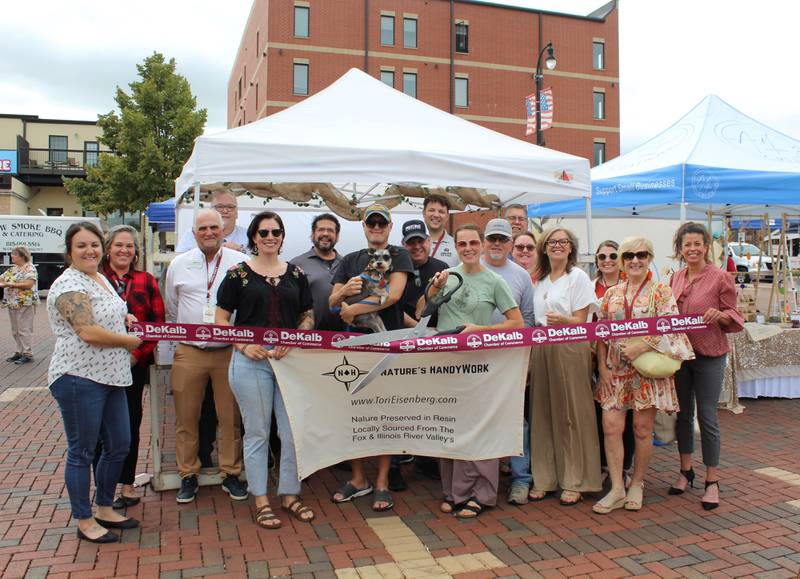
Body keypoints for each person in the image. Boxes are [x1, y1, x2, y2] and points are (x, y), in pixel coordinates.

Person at [217, 210, 316, 529]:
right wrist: (244, 345)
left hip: (289, 363)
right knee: (257, 432)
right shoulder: (236, 274)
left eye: (276, 232)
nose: (270, 237)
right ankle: (260, 498)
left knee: (289, 433)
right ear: (254, 238)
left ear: (283, 236)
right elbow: (220, 320)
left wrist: (297, 336)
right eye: (263, 233)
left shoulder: (297, 274)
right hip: (250, 363)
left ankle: (289, 494)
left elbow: (307, 314)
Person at [47, 222, 142, 543]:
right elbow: (86, 331)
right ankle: (84, 519)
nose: (90, 251)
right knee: (82, 452)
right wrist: (127, 340)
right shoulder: (69, 285)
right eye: (81, 246)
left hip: (111, 376)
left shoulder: (98, 277)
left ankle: (104, 506)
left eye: (94, 245)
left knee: (118, 445)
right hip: (78, 377)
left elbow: (107, 313)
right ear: (70, 251)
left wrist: (123, 317)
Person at [593, 237, 694, 514]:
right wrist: (602, 367)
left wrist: (642, 345)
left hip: (646, 371)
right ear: (623, 261)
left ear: (649, 258)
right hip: (615, 369)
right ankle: (616, 488)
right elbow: (600, 332)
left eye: (640, 255)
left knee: (641, 429)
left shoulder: (661, 292)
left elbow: (671, 327)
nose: (634, 260)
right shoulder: (612, 294)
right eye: (629, 256)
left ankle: (637, 483)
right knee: (611, 427)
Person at [430, 224, 524, 518]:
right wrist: (433, 287)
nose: (468, 248)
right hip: (446, 362)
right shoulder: (447, 276)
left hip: (480, 363)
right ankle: (454, 491)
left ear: (482, 246)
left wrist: (479, 330)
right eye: (462, 244)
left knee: (479, 427)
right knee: (450, 426)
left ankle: (481, 494)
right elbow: (424, 309)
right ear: (455, 247)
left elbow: (516, 323)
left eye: (473, 243)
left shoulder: (494, 281)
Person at [329, 204, 413, 511]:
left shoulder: (398, 255)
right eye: (371, 222)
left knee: (385, 415)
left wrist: (353, 309)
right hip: (354, 347)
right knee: (354, 414)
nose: (376, 227)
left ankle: (381, 482)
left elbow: (391, 296)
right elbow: (331, 301)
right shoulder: (350, 260)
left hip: (386, 345)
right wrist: (343, 294)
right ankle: (358, 478)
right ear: (364, 226)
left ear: (389, 226)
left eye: (381, 222)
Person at [164, 209, 247, 503]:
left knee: (230, 418)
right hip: (190, 351)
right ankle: (188, 474)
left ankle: (231, 473)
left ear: (223, 230)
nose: (209, 232)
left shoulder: (240, 263)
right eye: (203, 229)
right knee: (187, 417)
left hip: (228, 351)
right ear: (194, 233)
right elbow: (172, 308)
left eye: (214, 227)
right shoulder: (179, 264)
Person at [669, 222, 743, 510]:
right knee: (682, 415)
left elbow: (735, 316)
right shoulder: (675, 278)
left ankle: (712, 480)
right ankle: (685, 470)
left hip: (710, 354)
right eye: (687, 244)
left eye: (697, 244)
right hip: (681, 357)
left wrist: (720, 316)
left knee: (708, 417)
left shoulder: (721, 277)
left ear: (706, 246)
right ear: (680, 248)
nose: (692, 249)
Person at [94, 225, 165, 509]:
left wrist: (138, 353)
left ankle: (127, 483)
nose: (124, 250)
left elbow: (157, 325)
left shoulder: (146, 280)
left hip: (134, 366)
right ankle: (104, 487)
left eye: (130, 246)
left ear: (136, 251)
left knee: (130, 423)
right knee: (101, 428)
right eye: (119, 245)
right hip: (98, 365)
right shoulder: (95, 279)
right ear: (108, 247)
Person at [529, 227, 601, 506]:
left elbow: (582, 319)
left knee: (572, 411)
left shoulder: (578, 277)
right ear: (544, 248)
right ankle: (545, 478)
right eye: (552, 242)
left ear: (571, 247)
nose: (557, 246)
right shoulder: (541, 280)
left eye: (563, 242)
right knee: (543, 411)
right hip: (542, 347)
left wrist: (563, 321)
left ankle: (576, 479)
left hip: (569, 347)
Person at [480, 219, 535, 505]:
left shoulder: (521, 276)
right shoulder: (470, 269)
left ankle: (520, 479)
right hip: (475, 359)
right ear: (484, 242)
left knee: (516, 421)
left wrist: (526, 362)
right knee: (478, 418)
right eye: (492, 239)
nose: (497, 244)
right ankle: (481, 480)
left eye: (502, 239)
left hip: (511, 359)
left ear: (510, 244)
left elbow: (528, 322)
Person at [393, 219, 448, 487]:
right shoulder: (395, 267)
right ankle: (394, 466)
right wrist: (418, 329)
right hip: (403, 342)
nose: (416, 246)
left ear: (428, 241)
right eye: (411, 242)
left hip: (436, 344)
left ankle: (427, 460)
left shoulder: (443, 268)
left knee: (431, 402)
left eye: (420, 241)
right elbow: (392, 305)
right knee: (399, 403)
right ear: (404, 245)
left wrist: (432, 335)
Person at [592, 240, 634, 487]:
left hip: (625, 361)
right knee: (601, 416)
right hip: (596, 359)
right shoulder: (590, 286)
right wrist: (600, 365)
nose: (607, 260)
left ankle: (625, 466)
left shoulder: (630, 285)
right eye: (602, 256)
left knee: (625, 417)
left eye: (612, 255)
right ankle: (605, 465)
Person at [289, 213, 343, 331]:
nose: (325, 233)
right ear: (312, 234)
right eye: (321, 230)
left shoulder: (346, 264)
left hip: (342, 338)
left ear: (337, 236)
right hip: (307, 338)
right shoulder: (296, 264)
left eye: (330, 230)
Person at [175, 190, 249, 253]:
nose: (225, 211)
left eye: (230, 207)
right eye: (220, 206)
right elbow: (179, 261)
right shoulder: (192, 234)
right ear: (211, 210)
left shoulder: (248, 236)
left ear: (237, 212)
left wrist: (240, 253)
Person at [1, 245, 39, 364]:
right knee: (15, 329)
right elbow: (2, 279)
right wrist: (5, 283)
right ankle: (19, 351)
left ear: (22, 256)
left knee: (24, 329)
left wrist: (10, 284)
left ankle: (28, 354)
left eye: (14, 254)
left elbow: (29, 284)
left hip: (25, 302)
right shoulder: (13, 269)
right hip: (13, 302)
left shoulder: (30, 268)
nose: (12, 256)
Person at [422, 194, 458, 267]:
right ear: (423, 213)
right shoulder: (410, 244)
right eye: (431, 210)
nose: (436, 215)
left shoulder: (456, 245)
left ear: (447, 216)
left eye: (441, 212)